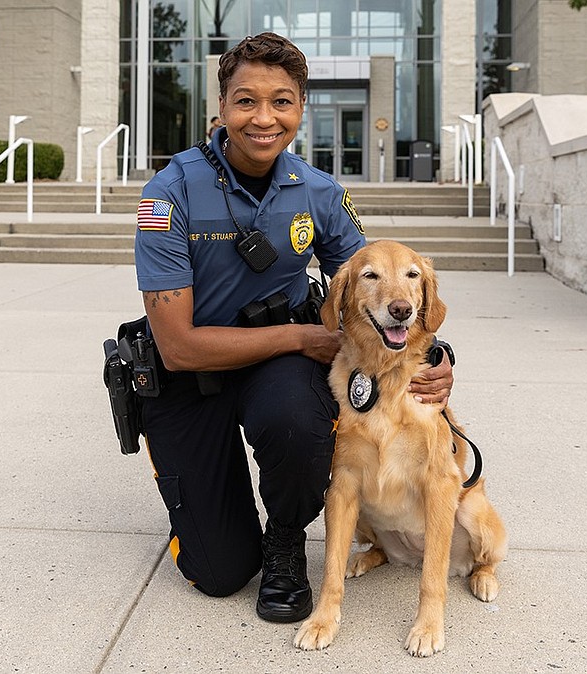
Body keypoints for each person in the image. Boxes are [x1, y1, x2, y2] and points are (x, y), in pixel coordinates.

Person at [133, 32, 453, 624]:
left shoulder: (321, 192)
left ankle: (284, 540)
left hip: (276, 372)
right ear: (221, 108)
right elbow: (176, 347)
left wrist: (432, 353)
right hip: (192, 372)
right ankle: (203, 497)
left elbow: (375, 284)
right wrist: (303, 337)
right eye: (245, 101)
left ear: (300, 109)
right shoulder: (166, 192)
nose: (263, 118)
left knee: (302, 425)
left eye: (281, 101)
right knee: (221, 572)